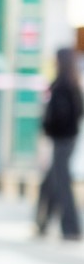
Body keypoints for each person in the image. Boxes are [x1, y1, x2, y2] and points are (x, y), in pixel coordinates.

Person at [36, 47, 84, 240]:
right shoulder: (70, 84)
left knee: (61, 184)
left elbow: (59, 116)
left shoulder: (63, 86)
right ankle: (42, 222)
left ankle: (70, 228)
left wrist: (49, 128)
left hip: (62, 141)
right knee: (50, 182)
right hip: (66, 139)